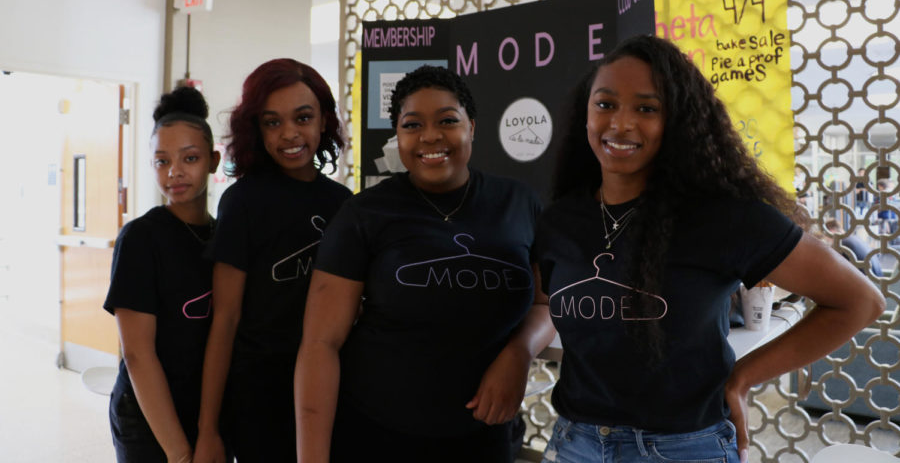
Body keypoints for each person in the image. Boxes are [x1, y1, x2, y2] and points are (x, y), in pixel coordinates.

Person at [533, 35, 885, 463]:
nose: (621, 124)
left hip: (683, 448)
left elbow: (858, 301)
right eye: (605, 104)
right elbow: (545, 306)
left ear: (677, 119)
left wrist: (743, 378)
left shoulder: (721, 217)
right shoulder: (559, 221)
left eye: (647, 108)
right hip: (577, 444)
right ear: (585, 114)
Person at [294, 65, 555, 463]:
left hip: (485, 438)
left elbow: (545, 301)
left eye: (448, 121)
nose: (430, 136)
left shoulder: (519, 204)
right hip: (377, 437)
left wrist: (519, 352)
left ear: (473, 126)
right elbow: (320, 345)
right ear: (397, 135)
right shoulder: (365, 214)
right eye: (412, 124)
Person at [193, 59, 352, 463]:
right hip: (260, 398)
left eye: (303, 117)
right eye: (272, 122)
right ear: (255, 129)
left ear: (323, 121)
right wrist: (208, 428)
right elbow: (225, 320)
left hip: (334, 391)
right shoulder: (243, 202)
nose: (290, 134)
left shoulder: (344, 205)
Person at [103, 86, 222, 462]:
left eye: (190, 158)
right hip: (147, 416)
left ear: (213, 160)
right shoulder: (140, 239)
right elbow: (137, 354)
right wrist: (178, 452)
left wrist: (209, 430)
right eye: (161, 161)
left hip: (202, 414)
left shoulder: (224, 238)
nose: (174, 172)